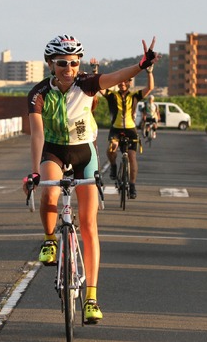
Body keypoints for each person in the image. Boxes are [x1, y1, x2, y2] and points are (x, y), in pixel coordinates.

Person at [24, 34, 159, 324]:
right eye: (62, 63)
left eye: (74, 62)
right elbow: (37, 134)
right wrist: (34, 172)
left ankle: (92, 298)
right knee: (49, 193)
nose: (69, 68)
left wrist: (141, 65)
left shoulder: (86, 84)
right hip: (54, 150)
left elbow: (116, 76)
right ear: (50, 64)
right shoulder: (38, 94)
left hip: (84, 153)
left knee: (88, 225)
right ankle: (50, 240)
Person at [103, 61, 154, 198]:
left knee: (132, 157)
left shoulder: (135, 95)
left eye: (126, 82)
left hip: (131, 129)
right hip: (116, 129)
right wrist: (95, 71)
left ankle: (132, 185)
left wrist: (149, 72)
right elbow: (99, 88)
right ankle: (113, 166)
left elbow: (150, 87)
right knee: (111, 149)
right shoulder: (112, 95)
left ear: (130, 83)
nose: (123, 84)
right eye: (121, 82)